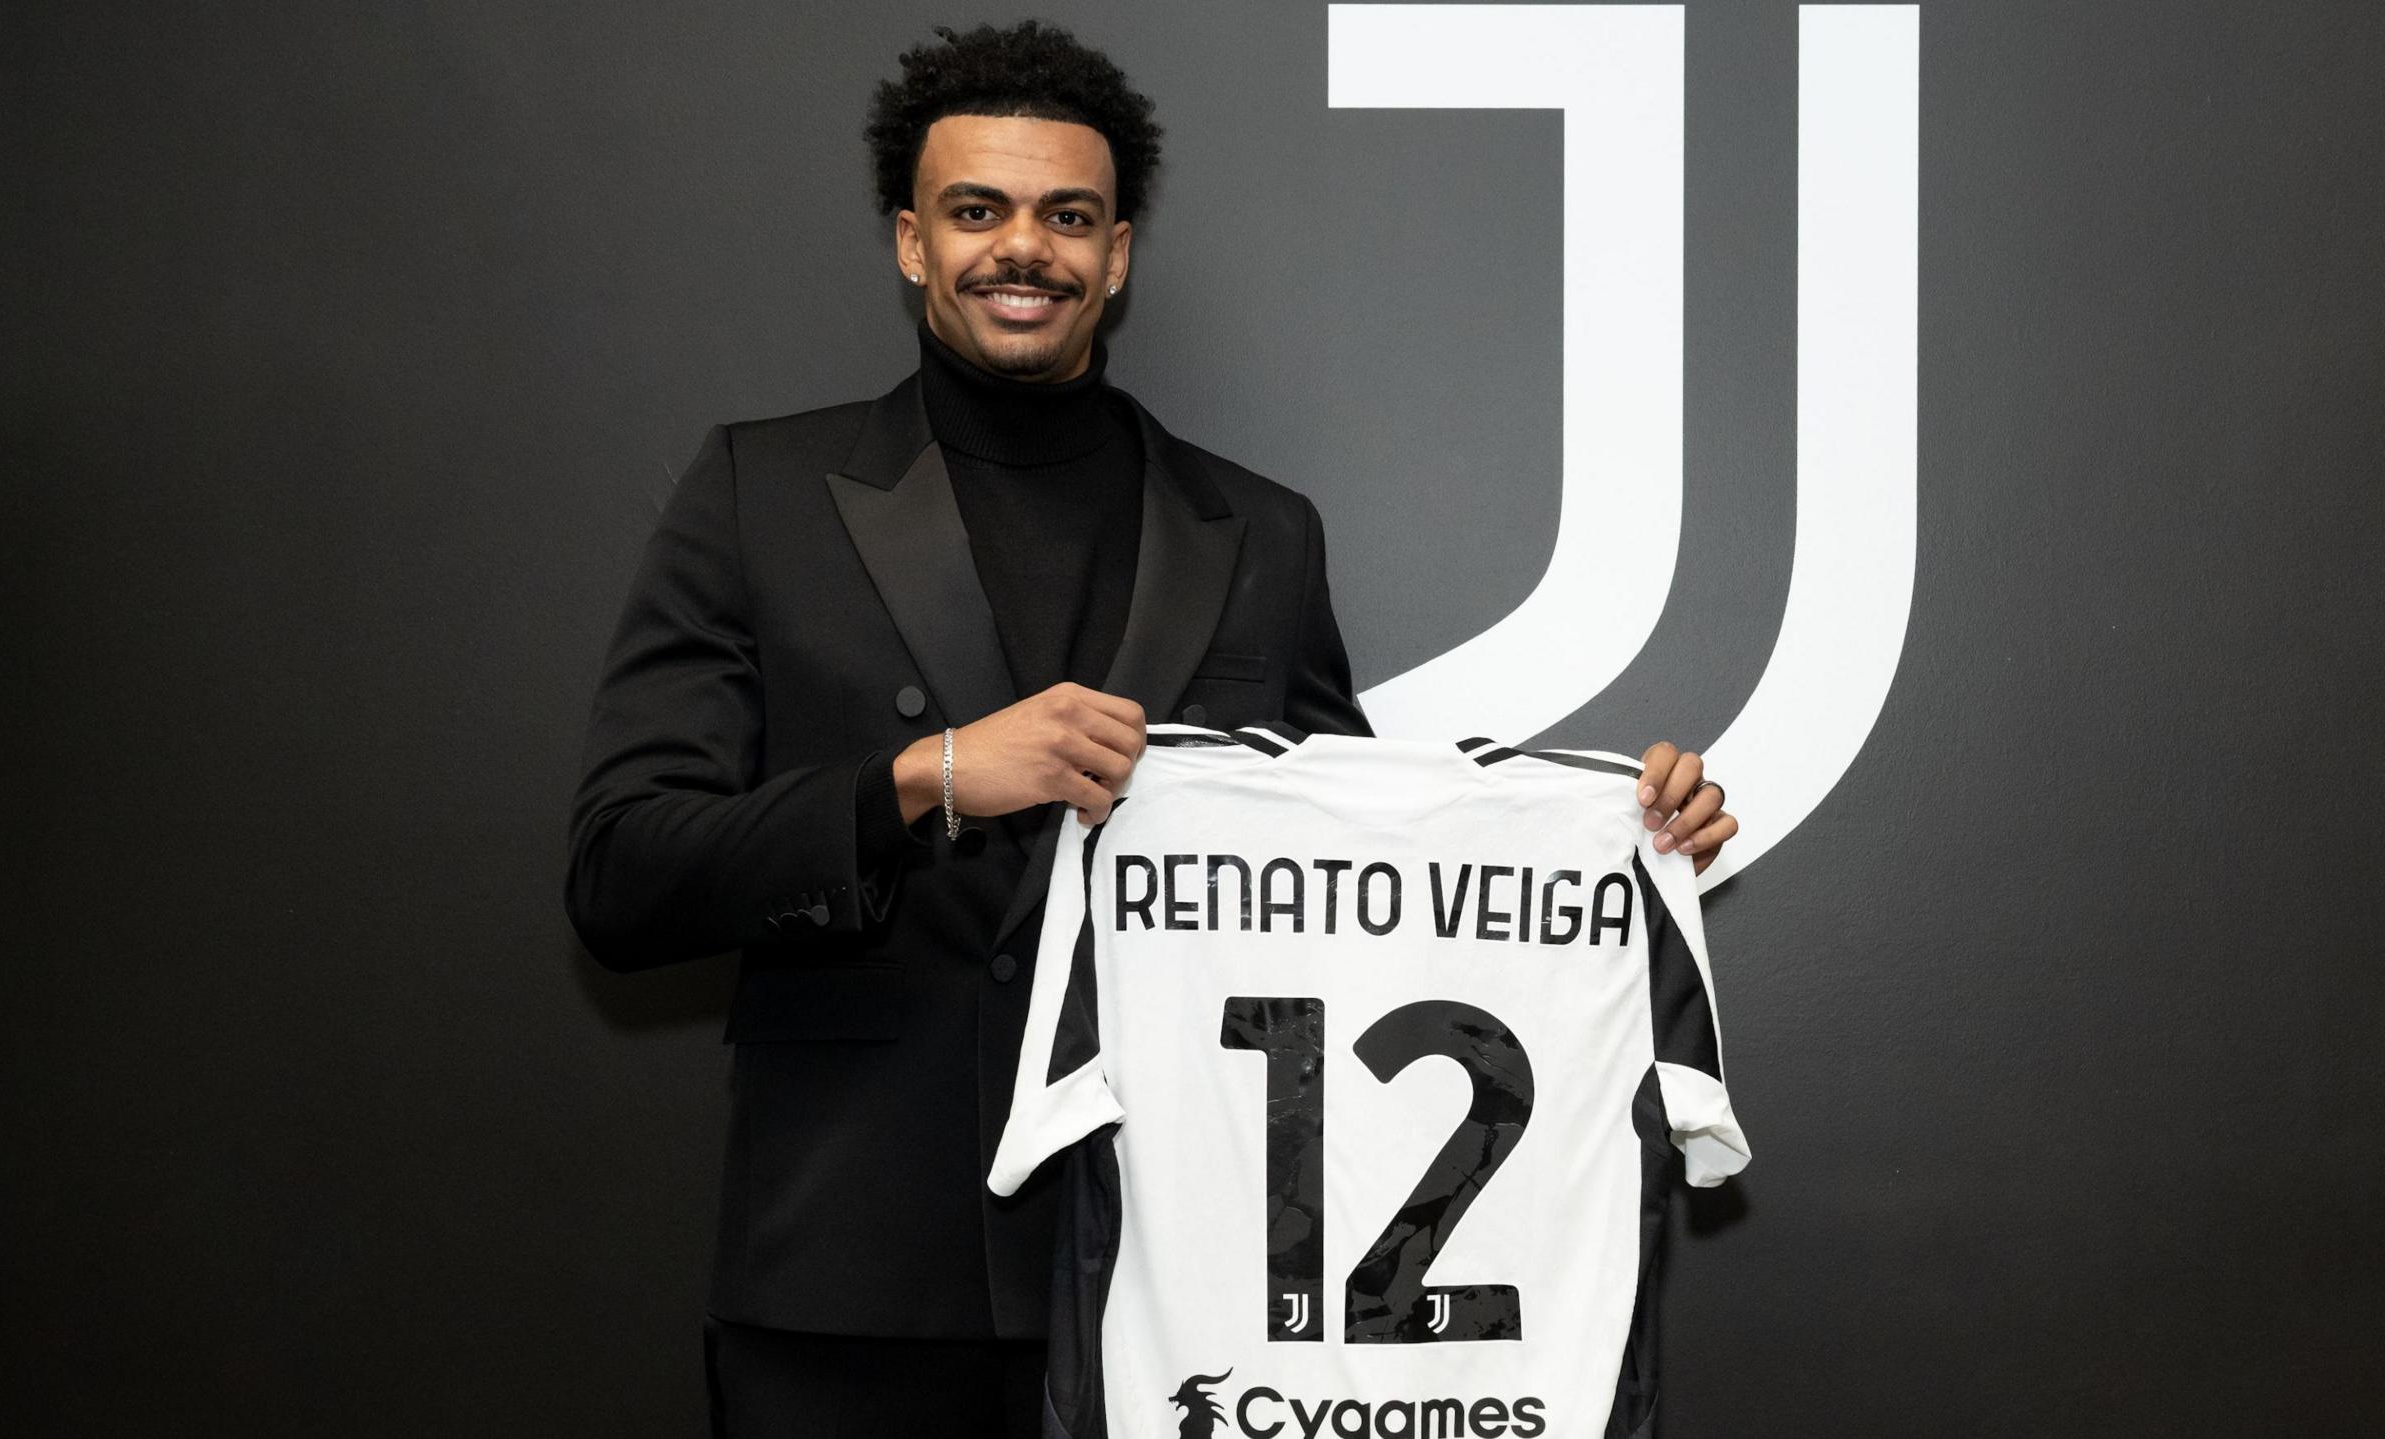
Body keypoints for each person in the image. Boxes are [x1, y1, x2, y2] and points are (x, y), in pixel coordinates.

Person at [563, 21, 1737, 1438]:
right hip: (856, 1278)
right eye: (976, 210)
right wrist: (929, 780)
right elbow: (626, 873)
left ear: (1117, 254)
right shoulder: (762, 491)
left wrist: (1620, 834)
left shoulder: (1258, 534)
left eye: (1068, 216)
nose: (1024, 248)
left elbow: (1367, 883)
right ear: (909, 243)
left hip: (1181, 1284)